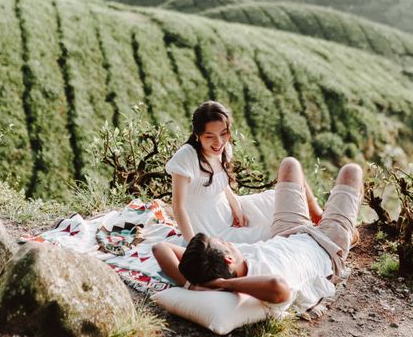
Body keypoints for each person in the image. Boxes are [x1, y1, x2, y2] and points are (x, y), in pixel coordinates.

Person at [153, 156, 362, 316]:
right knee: (352, 171)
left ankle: (319, 217)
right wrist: (222, 285)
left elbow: (161, 248)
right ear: (228, 258)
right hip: (327, 247)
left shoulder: (233, 260)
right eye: (225, 243)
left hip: (288, 232)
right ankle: (344, 233)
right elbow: (278, 286)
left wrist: (194, 285)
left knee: (290, 165)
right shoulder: (263, 283)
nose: (229, 242)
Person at [165, 100, 322, 245]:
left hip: (227, 208)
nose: (219, 142)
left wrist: (235, 205)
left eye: (223, 133)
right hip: (211, 227)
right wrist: (194, 244)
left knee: (280, 201)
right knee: (272, 231)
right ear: (197, 136)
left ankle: (317, 216)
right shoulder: (187, 157)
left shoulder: (223, 149)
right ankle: (314, 231)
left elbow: (219, 182)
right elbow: (178, 207)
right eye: (210, 136)